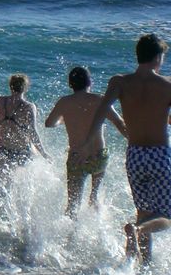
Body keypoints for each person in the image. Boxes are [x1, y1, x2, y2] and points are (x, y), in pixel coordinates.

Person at [87, 33, 171, 265]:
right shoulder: (168, 84)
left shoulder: (120, 81)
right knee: (165, 217)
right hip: (160, 156)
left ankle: (141, 265)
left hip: (134, 155)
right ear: (157, 58)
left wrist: (88, 139)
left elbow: (102, 110)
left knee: (144, 212)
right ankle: (136, 230)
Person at [44, 66, 127, 216]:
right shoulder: (100, 100)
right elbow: (120, 123)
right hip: (99, 156)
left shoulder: (64, 102)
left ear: (70, 84)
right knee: (94, 198)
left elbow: (49, 123)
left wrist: (64, 119)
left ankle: (70, 237)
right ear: (90, 82)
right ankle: (99, 231)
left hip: (77, 158)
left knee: (72, 205)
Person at [0, 74, 48, 179]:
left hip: (2, 149)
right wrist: (43, 152)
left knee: (4, 184)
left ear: (10, 86)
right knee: (23, 183)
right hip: (22, 150)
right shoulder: (29, 107)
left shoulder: (0, 101)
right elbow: (32, 132)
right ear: (25, 88)